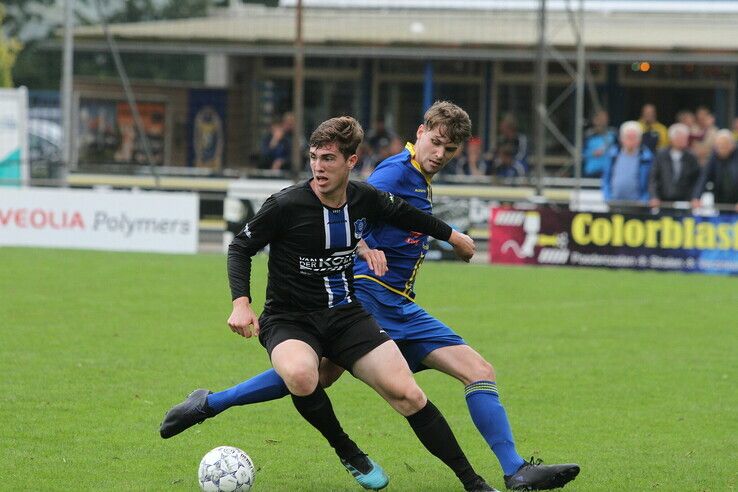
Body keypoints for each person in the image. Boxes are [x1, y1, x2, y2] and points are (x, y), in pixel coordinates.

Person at [161, 103, 580, 491]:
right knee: (310, 375)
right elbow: (332, 212)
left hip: (385, 303)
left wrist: (452, 237)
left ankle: (509, 472)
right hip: (368, 295)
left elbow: (387, 211)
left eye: (449, 149)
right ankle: (237, 413)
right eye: (435, 142)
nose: (440, 153)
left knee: (461, 371)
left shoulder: (399, 185)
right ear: (420, 133)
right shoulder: (389, 174)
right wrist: (360, 248)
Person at [648, 123, 701, 208]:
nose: (683, 140)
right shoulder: (661, 155)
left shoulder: (691, 157)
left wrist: (695, 197)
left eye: (685, 138)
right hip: (663, 202)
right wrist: (654, 197)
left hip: (685, 202)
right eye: (680, 138)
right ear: (672, 139)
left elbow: (697, 180)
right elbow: (653, 178)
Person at [602, 121, 653, 203]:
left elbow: (651, 182)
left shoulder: (647, 158)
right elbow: (606, 179)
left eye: (634, 137)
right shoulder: (612, 156)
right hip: (614, 203)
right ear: (621, 138)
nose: (631, 140)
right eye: (628, 137)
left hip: (639, 205)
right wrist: (607, 197)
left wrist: (644, 200)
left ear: (640, 139)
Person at [691, 129, 738, 211]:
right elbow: (704, 177)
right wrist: (696, 197)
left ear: (732, 145)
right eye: (718, 146)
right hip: (721, 199)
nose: (721, 148)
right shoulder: (714, 157)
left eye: (724, 145)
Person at [582, 109, 616, 178]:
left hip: (609, 172)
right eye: (600, 119)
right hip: (591, 171)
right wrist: (592, 153)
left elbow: (619, 151)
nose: (602, 122)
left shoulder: (613, 134)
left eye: (605, 119)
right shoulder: (588, 135)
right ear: (594, 120)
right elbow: (581, 153)